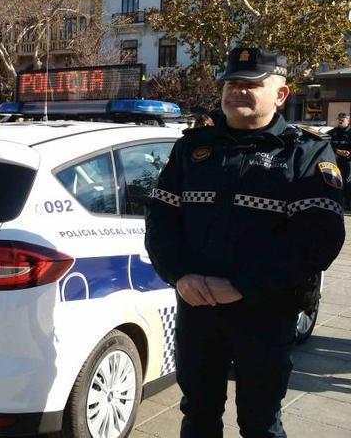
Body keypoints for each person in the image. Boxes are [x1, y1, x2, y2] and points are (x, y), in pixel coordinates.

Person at [145, 47, 345, 437]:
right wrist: (180, 275)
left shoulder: (305, 151)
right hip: (198, 310)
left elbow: (319, 238)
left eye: (251, 84)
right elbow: (161, 219)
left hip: (265, 312)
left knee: (260, 422)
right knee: (198, 414)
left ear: (281, 95)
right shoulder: (192, 148)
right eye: (232, 83)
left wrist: (242, 285)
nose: (237, 91)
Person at [327, 112, 351, 210]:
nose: (340, 121)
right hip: (335, 160)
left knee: (347, 181)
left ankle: (347, 201)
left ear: (348, 121)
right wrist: (337, 151)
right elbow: (325, 142)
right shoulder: (333, 132)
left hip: (348, 162)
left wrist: (348, 152)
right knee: (334, 180)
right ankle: (337, 200)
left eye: (342, 120)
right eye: (339, 120)